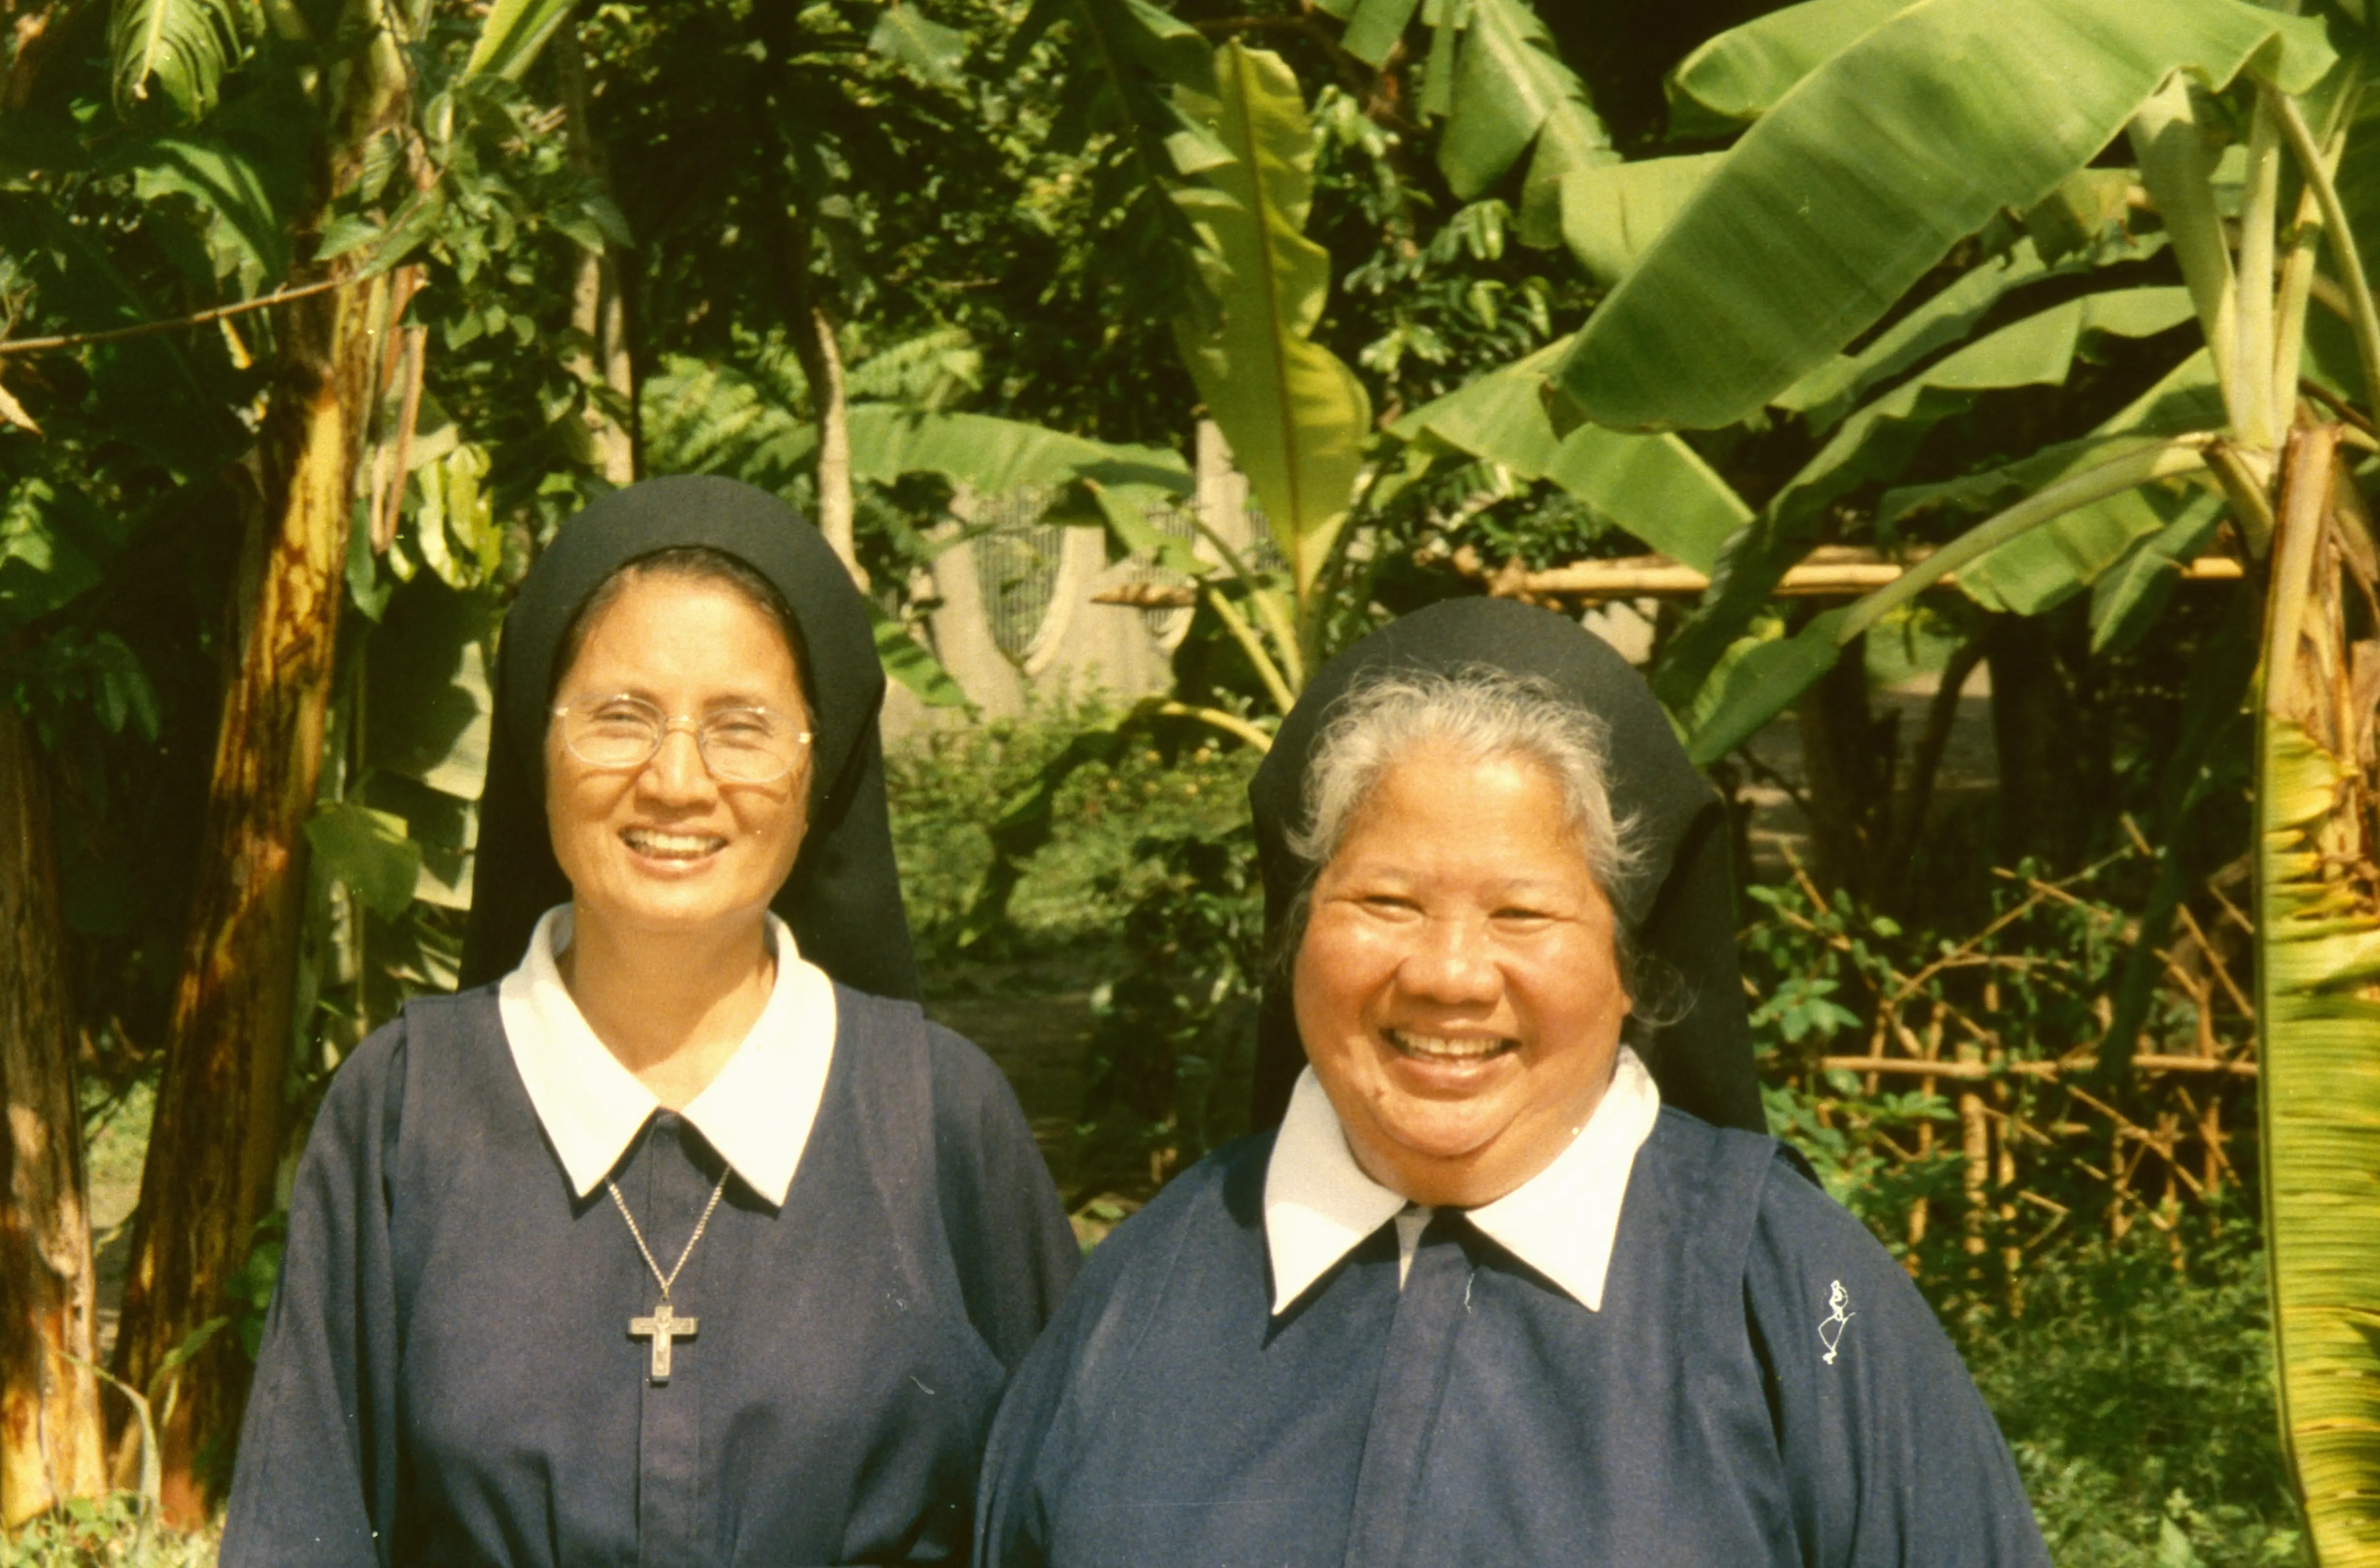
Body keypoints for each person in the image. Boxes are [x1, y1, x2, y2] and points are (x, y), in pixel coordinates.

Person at [975, 598, 2049, 1568]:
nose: (1446, 976)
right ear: (1296, 934)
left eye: (1522, 914)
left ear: (1629, 965)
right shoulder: (1148, 1283)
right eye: (1385, 902)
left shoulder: (1781, 1287)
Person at [222, 476, 1079, 1567]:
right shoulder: (403, 1109)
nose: (676, 780)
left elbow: (1059, 1518)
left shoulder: (937, 1110)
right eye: (620, 717)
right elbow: (306, 1530)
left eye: (742, 728)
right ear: (538, 746)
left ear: (820, 771)